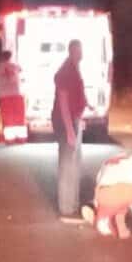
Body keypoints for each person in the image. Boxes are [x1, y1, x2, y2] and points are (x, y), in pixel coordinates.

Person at [53, 39, 87, 219]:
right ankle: (66, 207)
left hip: (74, 120)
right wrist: (69, 130)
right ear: (72, 51)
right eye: (79, 50)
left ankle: (73, 204)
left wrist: (80, 119)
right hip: (66, 122)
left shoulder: (74, 69)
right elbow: (63, 102)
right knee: (67, 165)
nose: (82, 53)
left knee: (75, 164)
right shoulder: (66, 71)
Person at [0, 53, 26, 143]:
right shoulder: (15, 66)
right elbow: (21, 71)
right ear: (10, 57)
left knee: (8, 118)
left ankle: (10, 139)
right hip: (17, 94)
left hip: (4, 95)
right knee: (19, 117)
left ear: (1, 57)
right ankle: (21, 138)